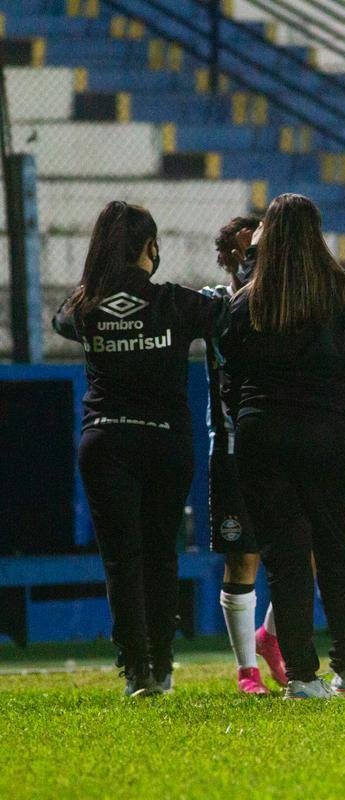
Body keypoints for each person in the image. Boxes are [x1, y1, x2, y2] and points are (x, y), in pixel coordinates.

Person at [219, 193, 345, 700]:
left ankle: (300, 676)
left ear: (267, 236)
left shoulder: (248, 300)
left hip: (263, 432)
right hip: (329, 432)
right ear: (318, 235)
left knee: (285, 556)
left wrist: (247, 422)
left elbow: (230, 378)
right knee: (335, 548)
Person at [51, 201, 227, 696]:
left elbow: (60, 321)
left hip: (106, 440)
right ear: (151, 247)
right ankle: (164, 665)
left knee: (122, 560)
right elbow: (223, 314)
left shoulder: (85, 305)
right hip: (166, 442)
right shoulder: (173, 301)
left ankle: (136, 672)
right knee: (161, 555)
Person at [204, 215, 292, 694]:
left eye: (256, 251)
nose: (250, 260)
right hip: (234, 447)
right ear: (226, 258)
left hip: (283, 442)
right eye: (241, 253)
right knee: (244, 559)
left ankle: (270, 637)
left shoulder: (287, 303)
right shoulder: (215, 303)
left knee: (310, 549)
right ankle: (246, 669)